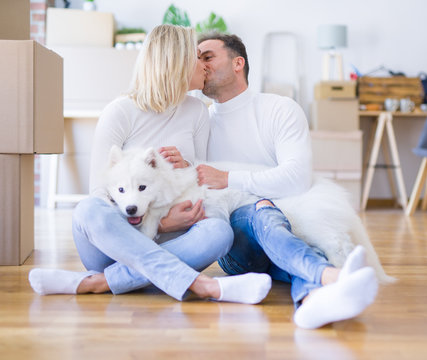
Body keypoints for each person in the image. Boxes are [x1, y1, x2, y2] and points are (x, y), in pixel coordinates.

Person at [28, 25, 271, 305]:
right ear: (176, 62)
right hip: (115, 245)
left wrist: (188, 167)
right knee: (88, 210)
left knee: (219, 233)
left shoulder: (196, 112)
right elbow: (99, 192)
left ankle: (99, 283)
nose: (204, 66)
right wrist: (162, 224)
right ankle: (202, 285)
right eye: (197, 57)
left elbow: (201, 181)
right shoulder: (120, 112)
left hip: (178, 242)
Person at [196, 33, 379, 329]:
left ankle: (311, 302)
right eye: (197, 60)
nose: (200, 66)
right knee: (261, 210)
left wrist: (228, 178)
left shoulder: (279, 109)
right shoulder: (198, 122)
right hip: (236, 247)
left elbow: (296, 179)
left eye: (207, 57)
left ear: (238, 63)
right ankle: (332, 276)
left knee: (292, 248)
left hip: (287, 233)